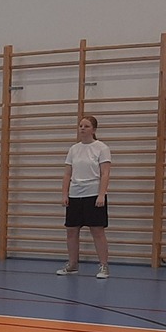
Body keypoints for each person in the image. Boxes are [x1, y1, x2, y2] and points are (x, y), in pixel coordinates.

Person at [57, 116, 112, 279]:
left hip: (93, 194)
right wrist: (65, 194)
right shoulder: (73, 149)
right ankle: (72, 264)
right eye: (80, 125)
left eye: (86, 126)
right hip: (75, 194)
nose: (82, 128)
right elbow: (67, 174)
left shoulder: (101, 148)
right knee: (71, 231)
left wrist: (101, 194)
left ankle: (104, 266)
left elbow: (105, 173)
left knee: (97, 231)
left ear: (93, 130)